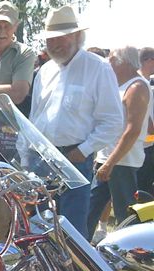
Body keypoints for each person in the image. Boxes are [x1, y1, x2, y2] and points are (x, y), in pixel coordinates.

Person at [30, 5, 123, 239]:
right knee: (38, 231)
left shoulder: (98, 68)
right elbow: (34, 118)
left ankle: (71, 264)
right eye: (50, 38)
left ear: (77, 36)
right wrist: (26, 159)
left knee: (72, 234)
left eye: (61, 37)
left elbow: (113, 121)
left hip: (76, 160)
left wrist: (83, 151)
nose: (54, 44)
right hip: (43, 161)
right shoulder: (44, 72)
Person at [87, 46, 153, 239]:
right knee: (89, 209)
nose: (108, 63)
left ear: (123, 62)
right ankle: (78, 249)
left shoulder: (137, 87)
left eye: (112, 59)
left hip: (122, 162)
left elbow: (132, 131)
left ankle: (129, 253)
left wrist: (110, 162)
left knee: (125, 218)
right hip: (109, 160)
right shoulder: (124, 86)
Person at [137, 47, 154, 193]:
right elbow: (146, 116)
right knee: (142, 188)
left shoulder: (145, 82)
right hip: (142, 146)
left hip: (147, 144)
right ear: (149, 61)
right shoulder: (140, 83)